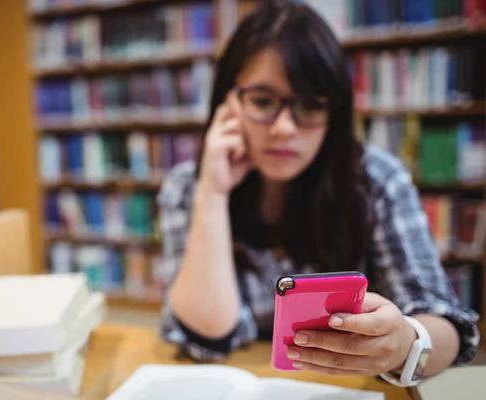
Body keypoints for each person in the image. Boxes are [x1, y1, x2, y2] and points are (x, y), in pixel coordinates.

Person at [155, 0, 480, 384]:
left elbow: (447, 326)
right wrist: (212, 192)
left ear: (334, 113)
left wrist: (405, 339)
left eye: (309, 107)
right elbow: (206, 336)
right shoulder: (188, 186)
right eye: (262, 101)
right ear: (229, 103)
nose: (284, 129)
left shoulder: (376, 179)